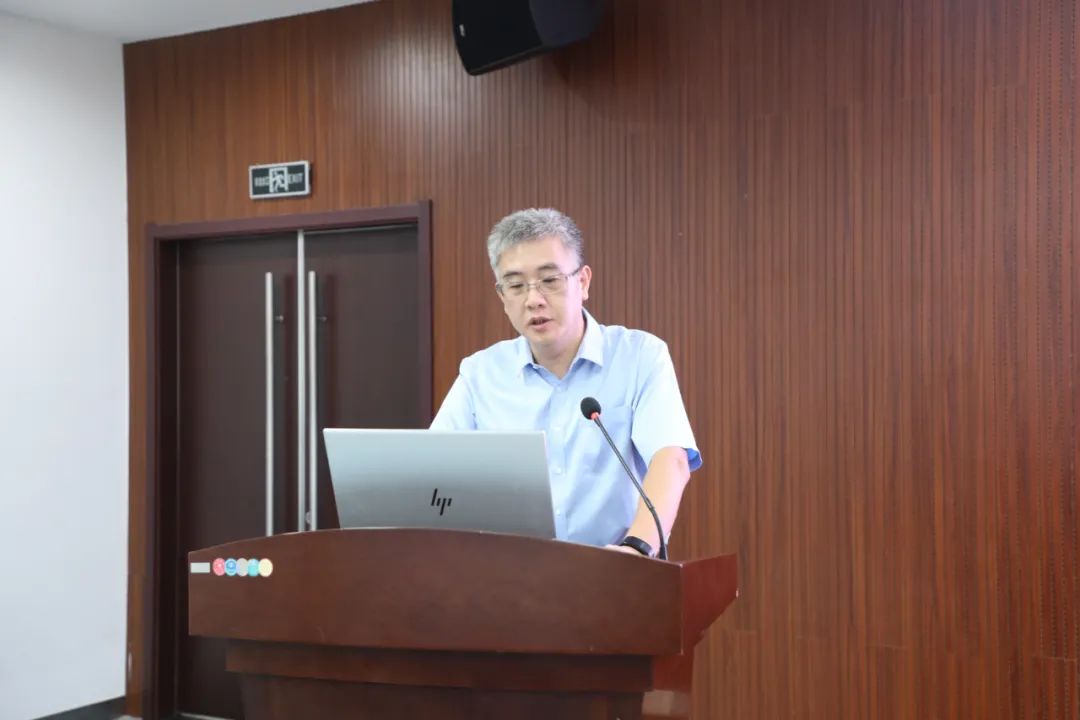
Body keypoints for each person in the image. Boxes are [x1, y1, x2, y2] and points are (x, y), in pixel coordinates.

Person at [430, 208, 701, 558]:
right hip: (510, 576)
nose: (533, 300)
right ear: (502, 297)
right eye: (516, 286)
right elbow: (434, 474)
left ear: (583, 282)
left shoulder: (639, 356)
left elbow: (671, 460)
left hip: (615, 569)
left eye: (549, 280)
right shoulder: (480, 374)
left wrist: (636, 548)